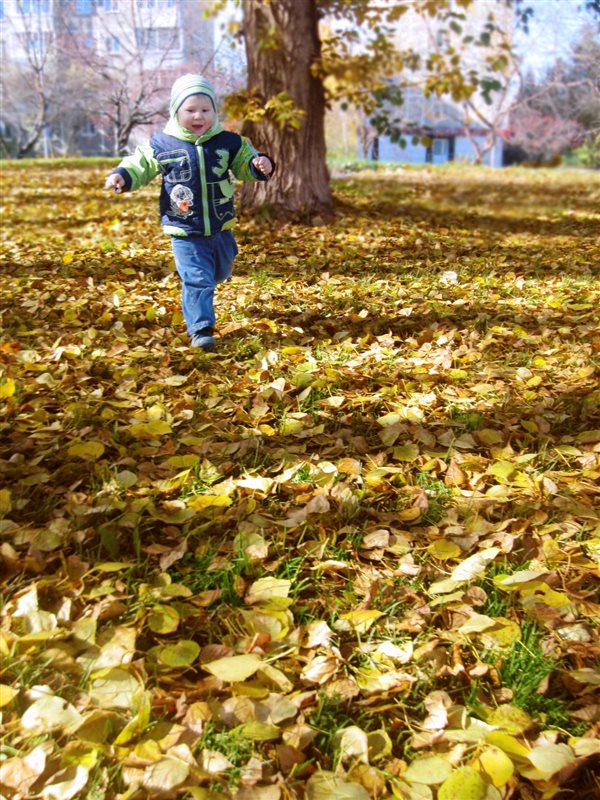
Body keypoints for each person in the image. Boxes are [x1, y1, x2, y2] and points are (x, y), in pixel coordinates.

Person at [105, 74, 275, 352]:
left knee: (220, 270)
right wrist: (123, 175)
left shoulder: (227, 142)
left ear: (214, 112)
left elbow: (246, 161)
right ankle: (201, 329)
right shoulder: (162, 144)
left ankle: (212, 280)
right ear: (176, 111)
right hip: (184, 228)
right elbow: (141, 163)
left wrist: (260, 164)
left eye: (205, 110)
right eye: (190, 110)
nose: (199, 116)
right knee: (197, 279)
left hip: (221, 225)